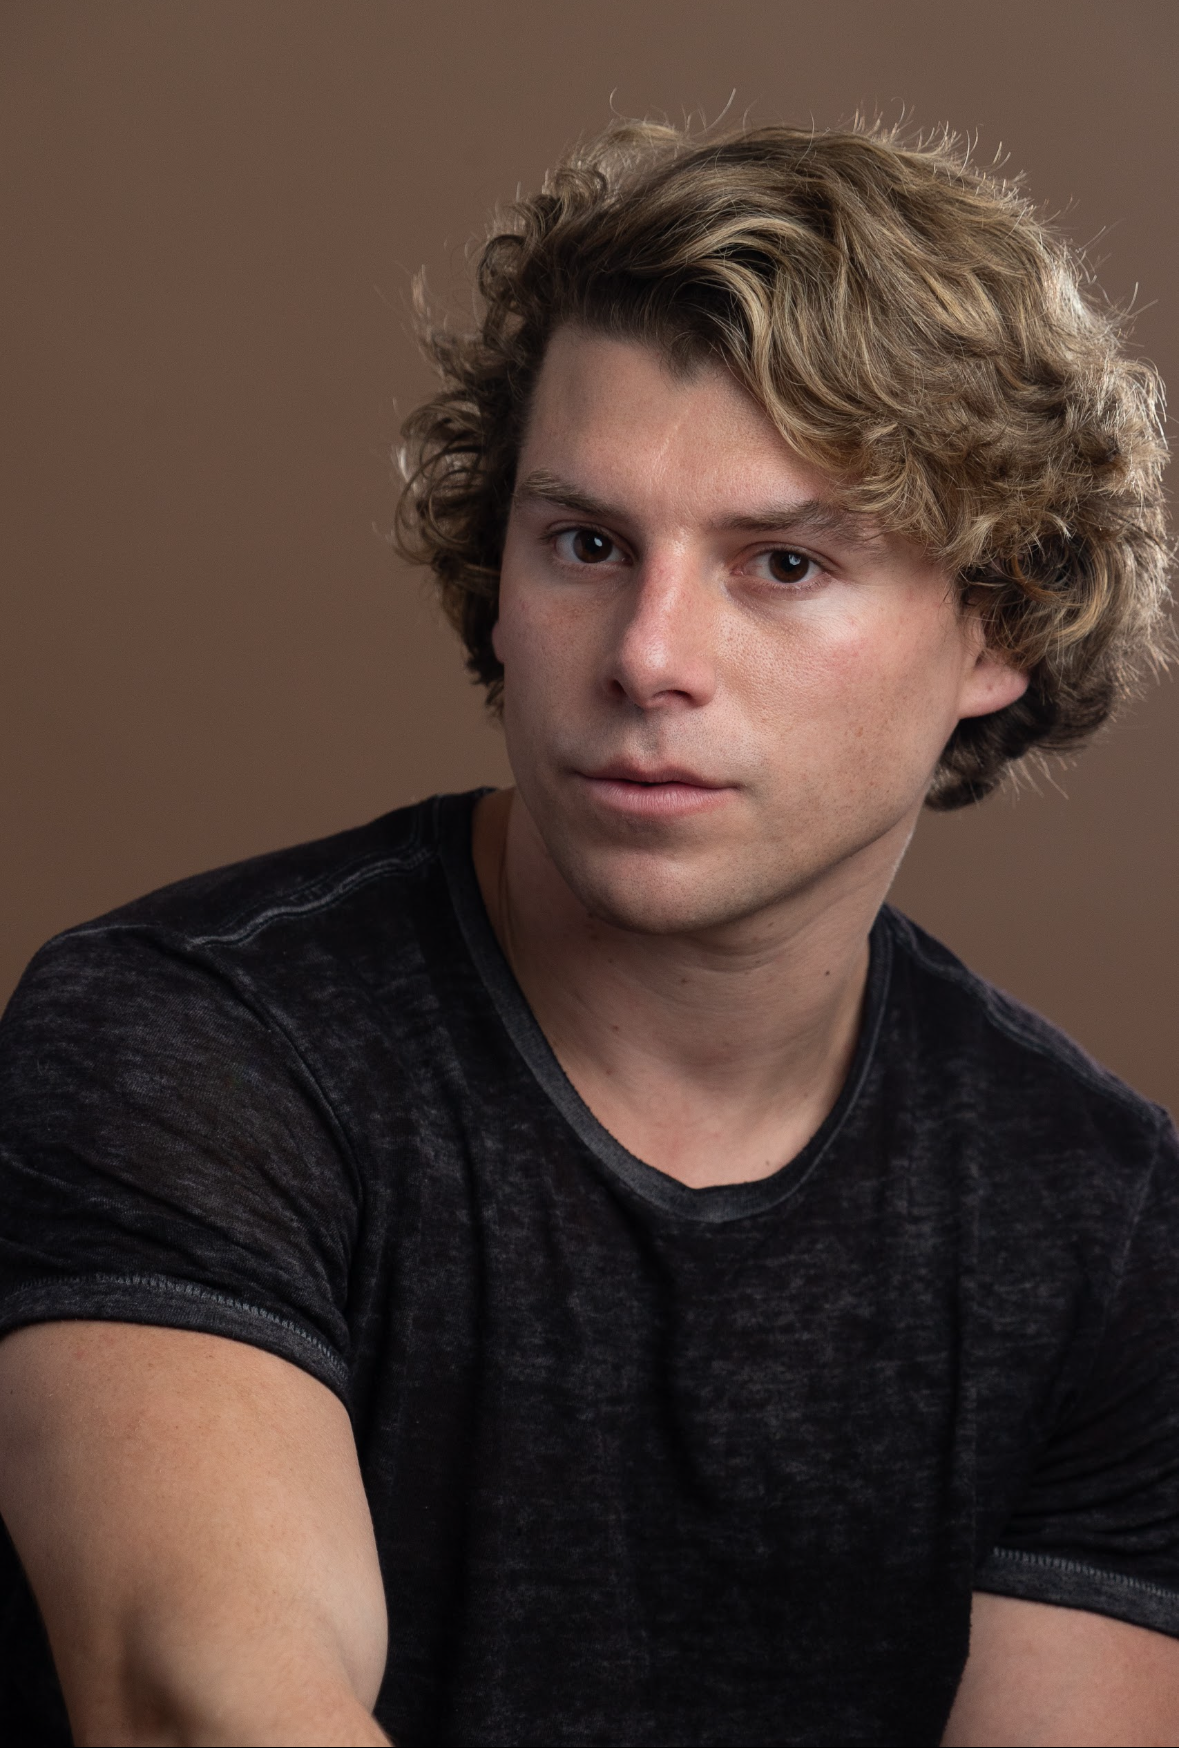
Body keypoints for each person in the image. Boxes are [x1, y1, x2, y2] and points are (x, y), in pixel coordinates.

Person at [0, 116, 1176, 1748]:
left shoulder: (1100, 1224)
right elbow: (208, 1702)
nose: (647, 655)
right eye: (586, 545)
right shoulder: (186, 1039)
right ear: (499, 576)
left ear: (998, 627)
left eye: (780, 560)